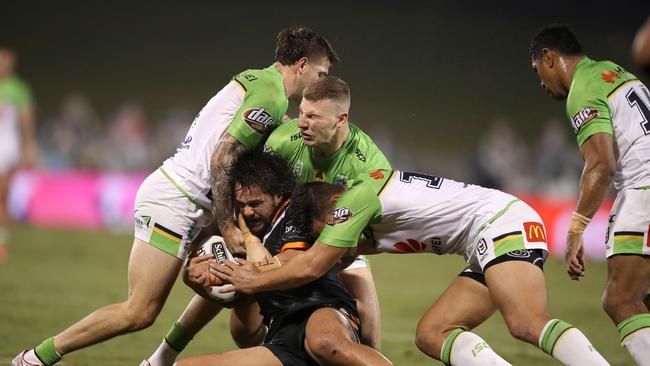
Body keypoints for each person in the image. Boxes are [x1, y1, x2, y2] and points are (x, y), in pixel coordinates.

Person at [12, 25, 338, 366]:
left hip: (192, 200)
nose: (321, 82)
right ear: (301, 65)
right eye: (321, 73)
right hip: (177, 198)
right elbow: (223, 157)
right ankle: (35, 359)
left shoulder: (258, 81)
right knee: (139, 311)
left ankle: (161, 359)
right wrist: (228, 227)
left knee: (225, 276)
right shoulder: (272, 95)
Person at [214, 166, 610, 365]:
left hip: (501, 222)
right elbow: (331, 263)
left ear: (335, 209)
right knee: (433, 333)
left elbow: (310, 267)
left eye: (324, 230)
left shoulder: (353, 204)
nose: (329, 239)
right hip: (482, 241)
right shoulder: (356, 220)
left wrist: (251, 277)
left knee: (524, 321)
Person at [144, 76, 390, 365]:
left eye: (312, 116)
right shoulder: (284, 141)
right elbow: (252, 185)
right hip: (276, 228)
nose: (301, 123)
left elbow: (373, 233)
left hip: (339, 240)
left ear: (340, 119)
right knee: (242, 329)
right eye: (301, 113)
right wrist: (238, 245)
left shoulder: (371, 165)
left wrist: (335, 253)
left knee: (365, 337)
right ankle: (165, 355)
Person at [178, 150, 391, 366]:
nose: (248, 212)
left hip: (321, 308)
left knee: (324, 341)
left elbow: (292, 259)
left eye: (255, 203)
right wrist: (200, 280)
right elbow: (244, 313)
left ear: (278, 195)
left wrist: (250, 250)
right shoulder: (244, 233)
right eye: (242, 205)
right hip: (281, 334)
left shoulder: (296, 211)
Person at [530, 24, 650, 365]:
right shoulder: (613, 71)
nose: (540, 82)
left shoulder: (581, 89)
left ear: (549, 58)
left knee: (621, 300)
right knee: (644, 298)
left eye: (537, 70)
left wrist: (576, 228)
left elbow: (600, 165)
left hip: (644, 188)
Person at [0, 46, 36, 263]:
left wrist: (29, 145)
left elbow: (26, 119)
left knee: (2, 196)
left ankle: (2, 242)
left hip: (7, 146)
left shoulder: (17, 89)